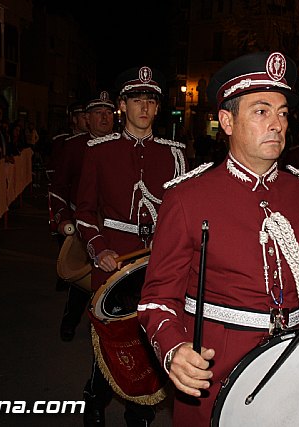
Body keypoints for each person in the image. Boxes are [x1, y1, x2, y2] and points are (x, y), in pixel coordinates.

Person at [137, 51, 299, 426]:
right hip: (216, 374)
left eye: (282, 112)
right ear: (227, 122)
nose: (277, 124)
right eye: (262, 111)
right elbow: (157, 299)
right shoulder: (187, 198)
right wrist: (175, 350)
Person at [75, 66, 186, 426]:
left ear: (157, 108)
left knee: (151, 343)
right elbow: (85, 213)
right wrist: (99, 249)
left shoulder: (175, 155)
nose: (144, 108)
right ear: (123, 105)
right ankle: (96, 397)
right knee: (111, 343)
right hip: (114, 260)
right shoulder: (99, 151)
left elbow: (181, 215)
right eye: (136, 100)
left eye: (150, 102)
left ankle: (140, 411)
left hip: (157, 265)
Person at [50, 92, 114, 341]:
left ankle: (111, 333)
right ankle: (70, 320)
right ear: (86, 119)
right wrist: (63, 218)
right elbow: (58, 187)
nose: (104, 118)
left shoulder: (121, 145)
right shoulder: (74, 147)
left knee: (114, 279)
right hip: (82, 223)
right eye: (98, 113)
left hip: (112, 225)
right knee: (82, 280)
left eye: (108, 113)